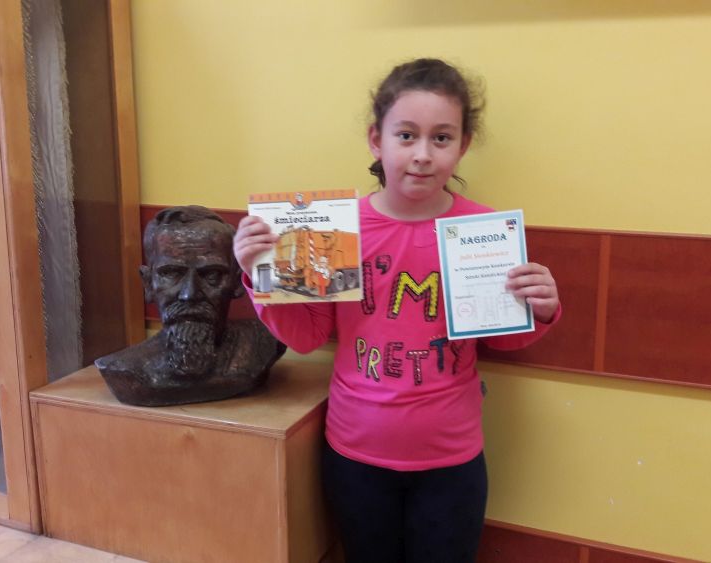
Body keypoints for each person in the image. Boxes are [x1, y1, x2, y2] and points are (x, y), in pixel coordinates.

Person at [233, 59, 561, 562]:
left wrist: (541, 309)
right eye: (406, 136)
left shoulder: (484, 231)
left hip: (452, 458)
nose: (423, 155)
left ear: (463, 145)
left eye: (441, 138)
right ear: (376, 140)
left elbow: (503, 337)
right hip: (356, 454)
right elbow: (306, 337)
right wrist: (261, 276)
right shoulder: (336, 230)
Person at [95, 206, 285, 407]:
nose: (190, 294)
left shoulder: (264, 343)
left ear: (237, 283)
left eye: (211, 274)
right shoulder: (125, 369)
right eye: (171, 273)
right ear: (148, 284)